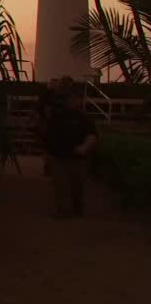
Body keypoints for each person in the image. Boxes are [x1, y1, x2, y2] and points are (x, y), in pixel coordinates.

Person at [42, 79, 98, 218]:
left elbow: (92, 135)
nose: (72, 101)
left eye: (75, 98)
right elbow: (48, 135)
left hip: (78, 158)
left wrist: (85, 147)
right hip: (57, 157)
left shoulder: (84, 117)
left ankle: (77, 209)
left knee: (77, 187)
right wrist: (46, 153)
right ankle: (63, 211)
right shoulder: (56, 115)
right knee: (61, 186)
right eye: (70, 98)